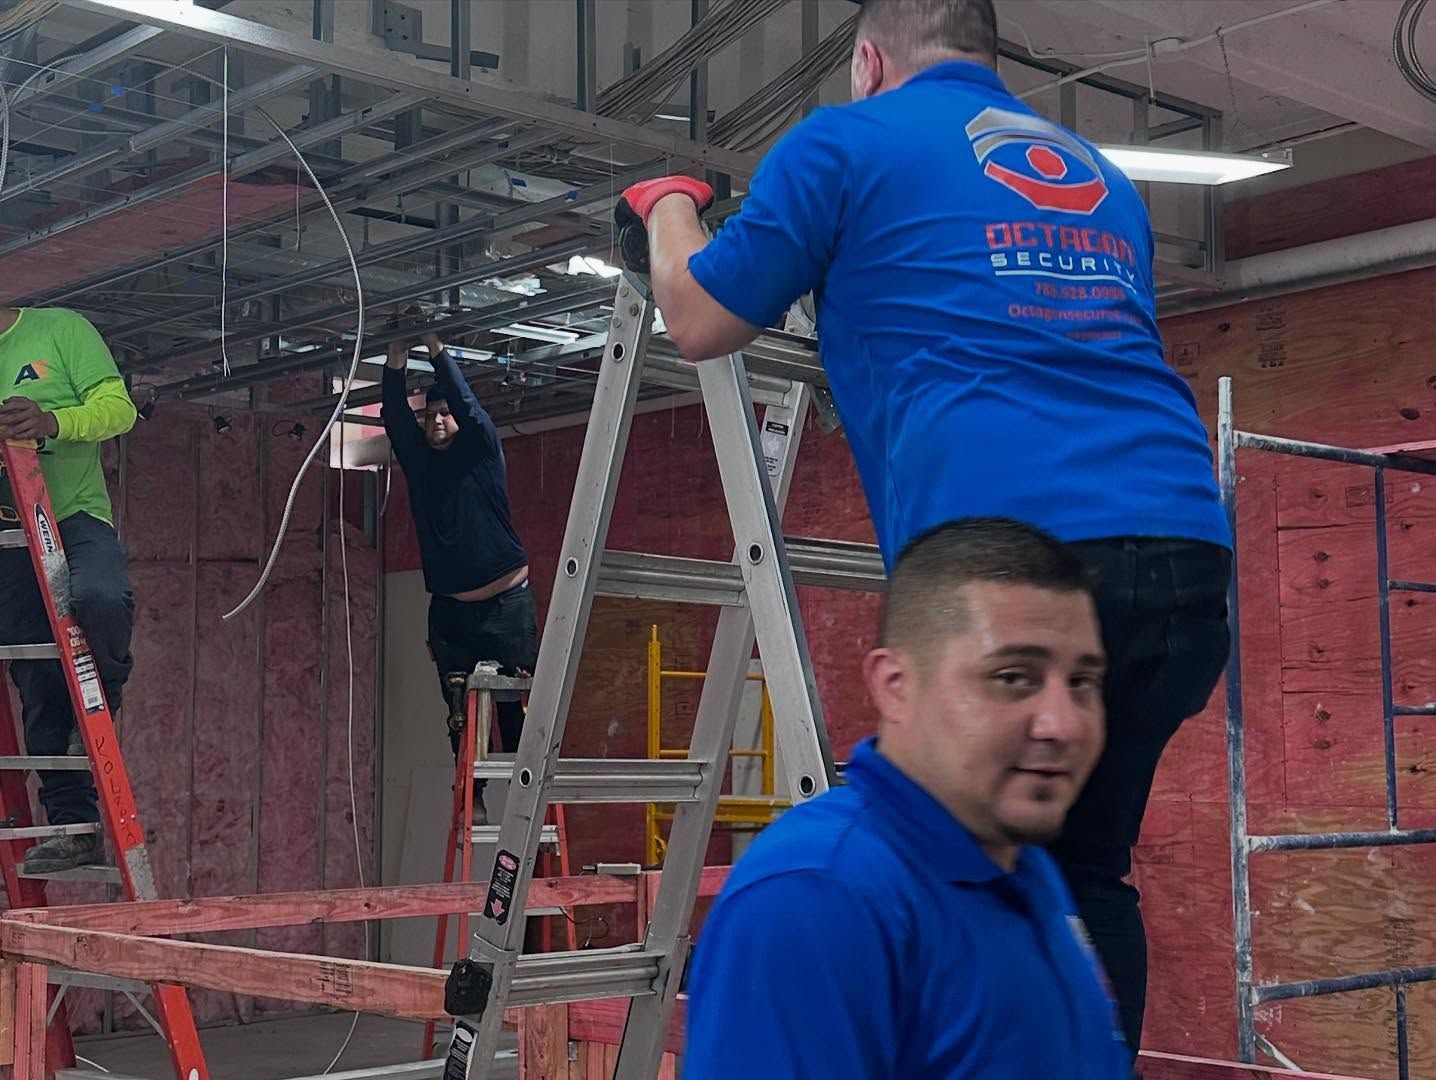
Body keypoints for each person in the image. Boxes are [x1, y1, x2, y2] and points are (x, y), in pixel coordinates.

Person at [616, 0, 1233, 1056]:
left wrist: (668, 202)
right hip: (1184, 552)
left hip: (1018, 570)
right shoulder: (1100, 175)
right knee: (1078, 871)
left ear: (867, 61)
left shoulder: (848, 140)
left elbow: (697, 316)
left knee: (921, 857)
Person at [685, 518, 1129, 1078]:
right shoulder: (817, 899)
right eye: (1014, 677)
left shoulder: (1024, 867)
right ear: (896, 686)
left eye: (1083, 682)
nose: (1062, 725)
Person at [380, 324, 537, 823]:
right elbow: (394, 418)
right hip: (451, 613)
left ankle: (524, 810)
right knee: (460, 713)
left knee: (513, 712)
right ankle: (475, 797)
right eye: (431, 416)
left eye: (445, 414)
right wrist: (396, 359)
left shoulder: (481, 453)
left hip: (506, 605)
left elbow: (470, 408)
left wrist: (437, 350)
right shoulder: (422, 464)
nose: (438, 422)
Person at [0, 306, 137, 873]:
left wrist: (52, 421)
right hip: (10, 532)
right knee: (38, 682)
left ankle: (109, 688)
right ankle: (72, 826)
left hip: (75, 517)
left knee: (101, 597)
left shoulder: (59, 330)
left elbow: (120, 410)